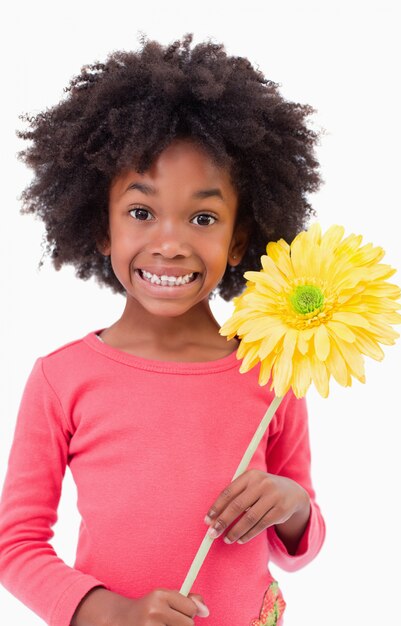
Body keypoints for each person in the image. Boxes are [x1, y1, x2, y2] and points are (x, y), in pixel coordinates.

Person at [0, 33, 326, 626]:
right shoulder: (61, 378)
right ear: (102, 228)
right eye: (141, 212)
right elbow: (15, 545)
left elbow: (297, 544)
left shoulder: (277, 367)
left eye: (203, 217)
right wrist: (112, 611)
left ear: (239, 241)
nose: (170, 244)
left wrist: (293, 504)